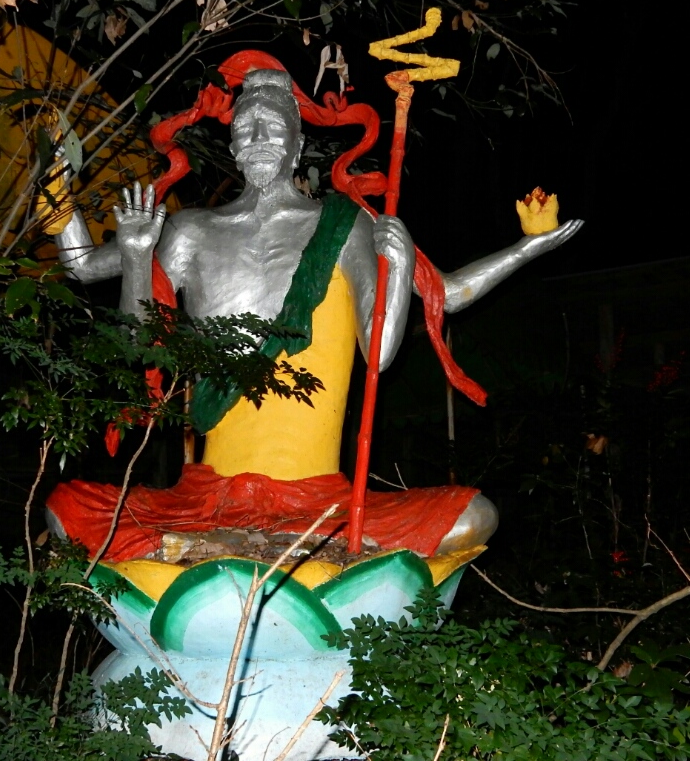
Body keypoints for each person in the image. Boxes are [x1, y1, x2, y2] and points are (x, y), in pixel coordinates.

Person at [45, 69, 582, 559]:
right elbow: (104, 296)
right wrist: (125, 246)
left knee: (474, 517)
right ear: (231, 145)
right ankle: (251, 548)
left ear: (298, 143)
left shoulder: (344, 227)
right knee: (66, 509)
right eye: (245, 127)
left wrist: (518, 250)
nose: (258, 138)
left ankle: (261, 551)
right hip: (209, 499)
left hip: (319, 501)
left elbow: (409, 327)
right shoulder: (192, 231)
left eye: (273, 126)